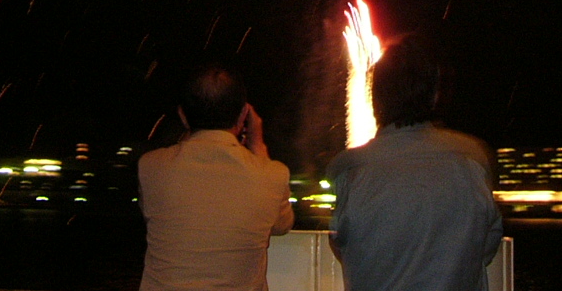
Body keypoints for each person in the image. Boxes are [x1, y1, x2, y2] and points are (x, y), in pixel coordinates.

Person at [327, 36, 503, 291]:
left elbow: (341, 243)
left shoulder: (351, 170)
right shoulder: (472, 162)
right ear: (434, 96)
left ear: (375, 99)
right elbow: (485, 247)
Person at [137, 64, 294, 291]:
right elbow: (282, 225)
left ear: (182, 115)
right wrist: (258, 147)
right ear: (243, 115)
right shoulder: (273, 175)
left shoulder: (151, 167)